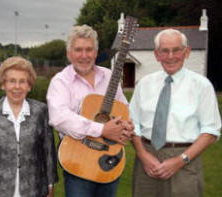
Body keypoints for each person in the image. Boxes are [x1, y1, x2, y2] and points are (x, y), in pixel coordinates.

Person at [129, 28, 221, 197]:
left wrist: (180, 160)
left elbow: (210, 131)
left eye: (176, 50)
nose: (171, 56)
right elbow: (132, 123)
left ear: (187, 52)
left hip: (185, 162)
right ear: (157, 55)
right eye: (165, 51)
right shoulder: (144, 84)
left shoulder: (202, 86)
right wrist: (142, 155)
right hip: (147, 161)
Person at [46, 24, 134, 197]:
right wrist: (102, 129)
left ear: (96, 52)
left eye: (89, 49)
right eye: (78, 50)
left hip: (109, 157)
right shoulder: (60, 82)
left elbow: (123, 107)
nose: (84, 55)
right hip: (77, 159)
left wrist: (128, 125)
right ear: (69, 54)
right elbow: (60, 118)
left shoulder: (109, 76)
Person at [0, 57, 58, 197]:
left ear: (29, 85)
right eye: (12, 81)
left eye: (22, 81)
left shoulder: (41, 111)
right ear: (3, 84)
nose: (17, 87)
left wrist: (50, 184)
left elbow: (48, 151)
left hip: (33, 189)